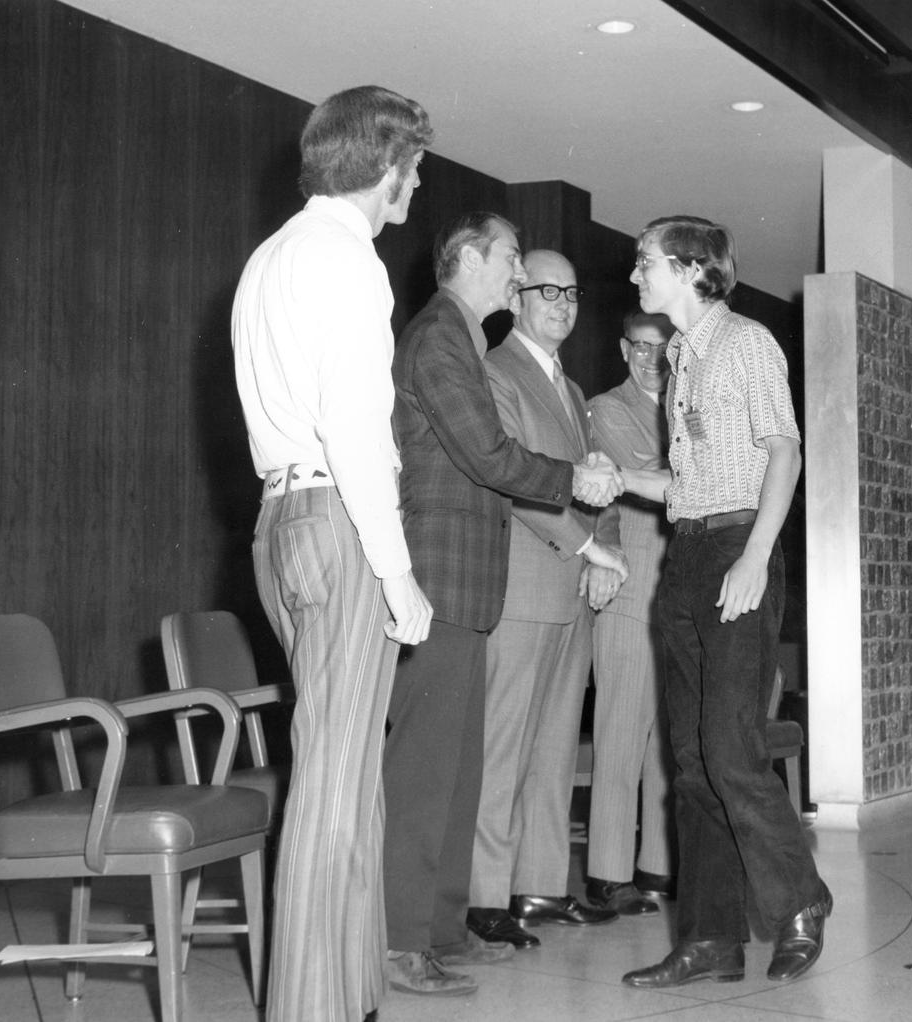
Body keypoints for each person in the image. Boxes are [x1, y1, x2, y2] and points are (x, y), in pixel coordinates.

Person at [231, 85, 435, 1022]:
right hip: (339, 521)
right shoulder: (348, 260)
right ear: (387, 169)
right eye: (415, 167)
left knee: (348, 773)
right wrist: (395, 570)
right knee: (332, 781)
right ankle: (312, 1008)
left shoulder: (269, 257)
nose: (416, 184)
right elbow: (355, 425)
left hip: (281, 523)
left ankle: (353, 999)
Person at [383, 217, 625, 996]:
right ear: (469, 261)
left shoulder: (457, 336)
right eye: (512, 259)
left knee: (458, 771)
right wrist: (571, 482)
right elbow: (487, 454)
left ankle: (446, 930)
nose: (519, 272)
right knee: (427, 772)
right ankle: (399, 940)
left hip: (469, 582)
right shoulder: (439, 338)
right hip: (440, 578)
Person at [618, 216, 832, 989]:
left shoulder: (744, 343)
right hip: (688, 556)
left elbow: (785, 448)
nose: (635, 273)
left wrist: (755, 555)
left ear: (689, 267)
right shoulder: (681, 356)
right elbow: (688, 485)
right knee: (690, 759)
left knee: (731, 747)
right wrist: (622, 479)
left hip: (738, 549)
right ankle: (710, 939)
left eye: (645, 262)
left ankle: (800, 902)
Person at [467, 251, 624, 946]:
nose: (563, 302)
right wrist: (586, 547)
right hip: (525, 585)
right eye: (547, 290)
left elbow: (601, 483)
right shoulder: (495, 373)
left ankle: (539, 887)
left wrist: (605, 556)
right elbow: (515, 481)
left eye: (573, 290)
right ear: (516, 297)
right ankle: (485, 896)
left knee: (557, 748)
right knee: (504, 749)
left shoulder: (573, 388)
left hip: (576, 588)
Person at [582, 310, 678, 917]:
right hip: (629, 588)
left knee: (664, 740)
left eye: (660, 348)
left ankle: (657, 867)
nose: (649, 359)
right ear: (623, 349)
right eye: (639, 347)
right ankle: (607, 875)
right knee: (620, 735)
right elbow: (641, 480)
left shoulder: (685, 409)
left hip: (677, 591)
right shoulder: (605, 409)